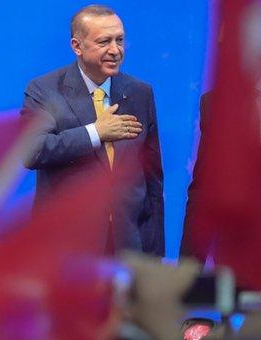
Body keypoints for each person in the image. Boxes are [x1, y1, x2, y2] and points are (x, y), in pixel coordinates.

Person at [22, 5, 164, 256]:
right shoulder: (44, 91)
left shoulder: (140, 93)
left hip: (128, 249)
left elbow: (151, 180)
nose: (115, 50)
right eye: (104, 41)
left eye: (119, 40)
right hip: (65, 252)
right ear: (77, 46)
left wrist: (153, 255)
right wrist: (95, 132)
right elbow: (30, 151)